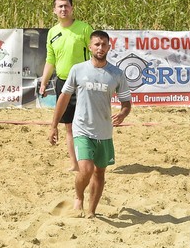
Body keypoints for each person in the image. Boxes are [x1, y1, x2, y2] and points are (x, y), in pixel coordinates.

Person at [50, 30, 132, 218]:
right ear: (90, 47)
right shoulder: (78, 69)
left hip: (104, 131)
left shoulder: (116, 74)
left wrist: (123, 114)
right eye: (97, 44)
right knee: (86, 170)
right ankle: (79, 197)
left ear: (109, 47)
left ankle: (91, 211)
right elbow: (64, 97)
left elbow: (126, 103)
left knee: (99, 172)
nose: (100, 48)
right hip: (82, 128)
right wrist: (53, 125)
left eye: (104, 45)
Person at [39, 0, 93, 172]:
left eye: (66, 6)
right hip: (63, 82)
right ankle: (75, 164)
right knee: (68, 125)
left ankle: (90, 161)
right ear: (54, 10)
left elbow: (95, 54)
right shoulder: (52, 32)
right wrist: (44, 82)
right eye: (60, 6)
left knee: (86, 124)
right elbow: (50, 60)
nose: (63, 9)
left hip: (83, 82)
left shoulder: (84, 29)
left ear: (72, 8)